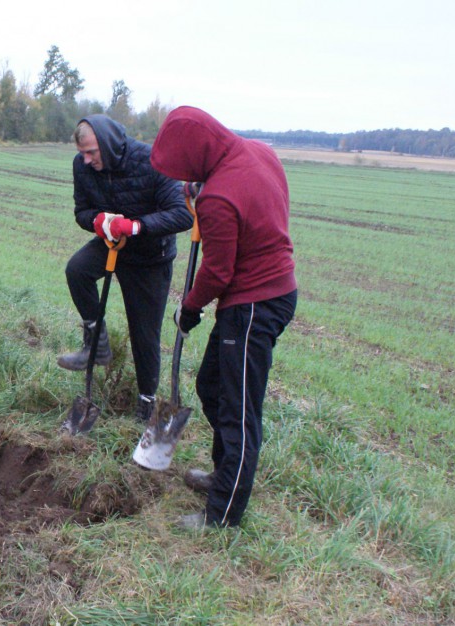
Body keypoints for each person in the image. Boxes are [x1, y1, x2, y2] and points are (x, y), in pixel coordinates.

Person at [150, 106, 298, 530]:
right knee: (211, 386)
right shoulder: (257, 151)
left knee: (238, 413)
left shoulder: (217, 197)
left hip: (254, 305)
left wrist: (189, 307)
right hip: (264, 295)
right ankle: (225, 473)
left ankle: (222, 516)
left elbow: (217, 272)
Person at [59, 114, 193, 423]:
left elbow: (182, 216)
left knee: (144, 334)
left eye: (92, 152)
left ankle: (146, 405)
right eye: (82, 152)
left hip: (150, 255)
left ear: (106, 143)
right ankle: (96, 344)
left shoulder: (151, 160)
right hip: (113, 244)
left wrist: (135, 226)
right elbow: (82, 211)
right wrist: (96, 221)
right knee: (77, 270)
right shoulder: (83, 167)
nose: (86, 159)